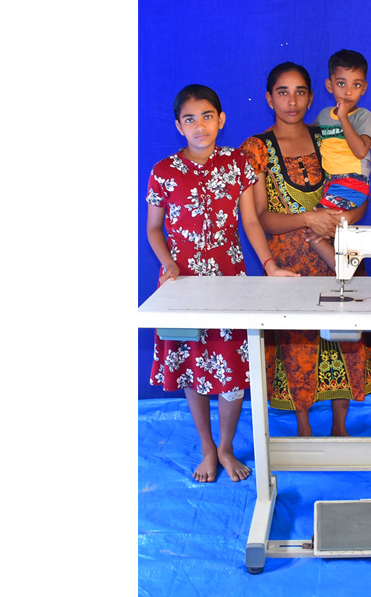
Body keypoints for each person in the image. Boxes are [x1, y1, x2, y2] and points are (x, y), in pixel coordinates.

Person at [146, 84, 299, 483]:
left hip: (230, 284)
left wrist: (269, 265)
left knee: (231, 369)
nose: (200, 126)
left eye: (207, 116)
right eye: (190, 119)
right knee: (192, 368)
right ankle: (207, 448)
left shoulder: (237, 164)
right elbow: (154, 228)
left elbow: (251, 221)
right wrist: (168, 265)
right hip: (184, 289)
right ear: (179, 126)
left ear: (221, 119)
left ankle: (227, 447)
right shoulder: (163, 172)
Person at [240, 62, 371, 437]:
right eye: (282, 92)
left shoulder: (331, 135)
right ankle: (302, 428)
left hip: (338, 255)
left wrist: (339, 220)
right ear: (269, 98)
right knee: (297, 345)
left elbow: (358, 187)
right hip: (290, 266)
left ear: (312, 96)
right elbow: (260, 217)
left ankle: (340, 427)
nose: (292, 101)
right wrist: (308, 220)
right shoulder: (256, 149)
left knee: (344, 340)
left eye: (300, 91)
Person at [308, 49, 371, 270]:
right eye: (341, 84)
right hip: (331, 182)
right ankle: (345, 261)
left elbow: (360, 150)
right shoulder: (324, 115)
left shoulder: (363, 116)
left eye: (356, 85)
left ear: (364, 88)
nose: (348, 92)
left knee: (317, 222)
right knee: (327, 223)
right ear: (329, 85)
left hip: (352, 181)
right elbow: (312, 139)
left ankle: (342, 268)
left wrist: (344, 117)